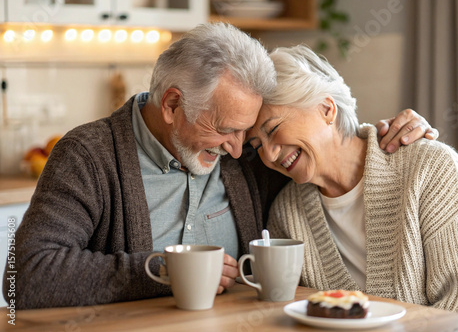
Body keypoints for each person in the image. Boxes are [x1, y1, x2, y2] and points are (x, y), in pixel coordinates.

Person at [3, 23, 436, 310]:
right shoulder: (89, 156)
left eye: (246, 134)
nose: (237, 150)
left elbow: (318, 145)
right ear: (172, 104)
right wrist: (160, 270)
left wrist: (382, 134)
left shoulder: (249, 158)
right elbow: (23, 277)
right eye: (226, 130)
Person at [246, 44, 458, 320]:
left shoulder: (427, 168)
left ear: (326, 108)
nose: (269, 154)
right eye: (257, 144)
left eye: (273, 129)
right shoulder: (287, 213)